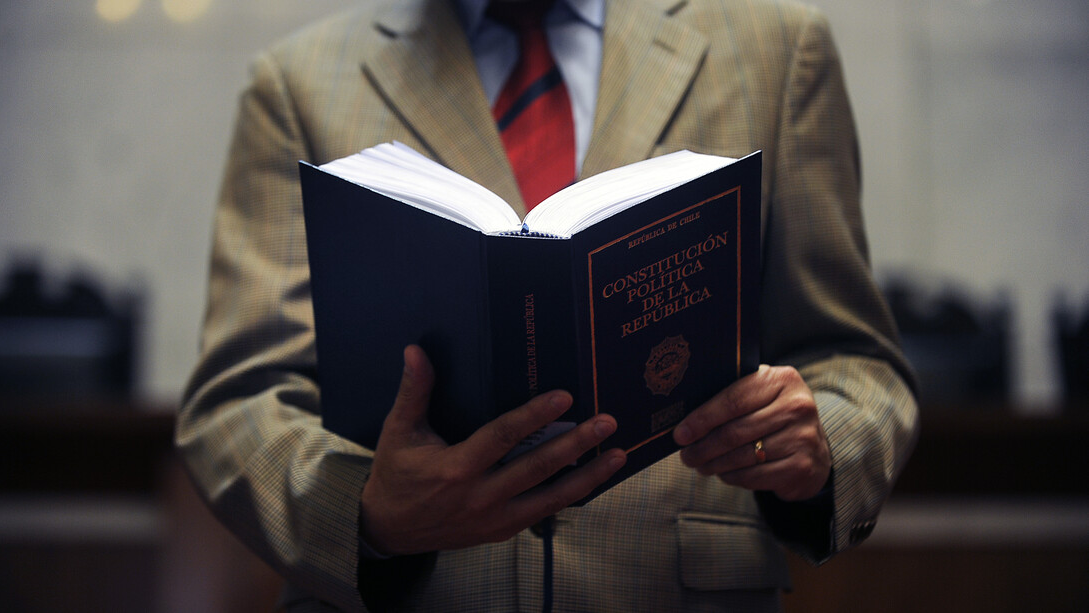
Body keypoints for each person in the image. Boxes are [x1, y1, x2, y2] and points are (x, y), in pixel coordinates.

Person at [177, 0, 919, 611]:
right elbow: (240, 399)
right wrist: (369, 513)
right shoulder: (298, 83)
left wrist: (816, 445)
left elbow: (855, 362)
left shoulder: (778, 50)